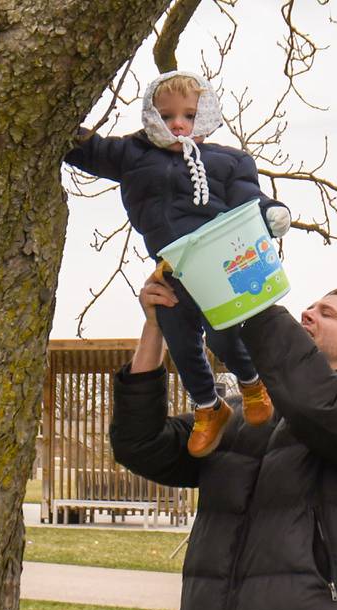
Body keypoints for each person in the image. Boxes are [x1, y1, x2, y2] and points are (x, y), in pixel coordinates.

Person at [109, 274, 337, 610]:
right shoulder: (241, 415)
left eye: (327, 314)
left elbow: (321, 406)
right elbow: (140, 444)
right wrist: (157, 327)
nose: (308, 313)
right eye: (310, 307)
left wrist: (253, 302)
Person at [65, 70, 292, 458]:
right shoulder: (133, 154)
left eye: (188, 115)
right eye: (167, 117)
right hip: (171, 266)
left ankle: (251, 383)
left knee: (222, 332)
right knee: (178, 335)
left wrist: (271, 212)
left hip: (218, 263)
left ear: (204, 115)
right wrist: (60, 124)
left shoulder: (229, 161)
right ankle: (208, 407)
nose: (178, 125)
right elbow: (91, 149)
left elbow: (247, 198)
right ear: (153, 118)